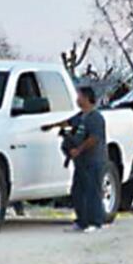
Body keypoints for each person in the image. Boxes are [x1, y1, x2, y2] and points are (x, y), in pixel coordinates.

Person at [43, 87, 108, 232]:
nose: (77, 99)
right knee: (78, 191)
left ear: (86, 98)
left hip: (93, 161)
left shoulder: (95, 118)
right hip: (81, 162)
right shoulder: (81, 116)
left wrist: (79, 150)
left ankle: (95, 222)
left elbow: (94, 139)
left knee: (92, 191)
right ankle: (82, 221)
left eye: (79, 96)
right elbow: (68, 123)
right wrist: (51, 126)